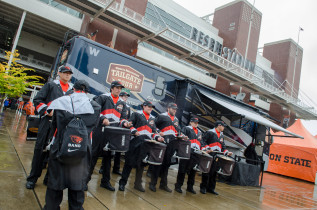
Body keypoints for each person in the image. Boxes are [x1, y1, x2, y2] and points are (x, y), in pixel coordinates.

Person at [43, 80, 101, 210]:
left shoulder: (61, 102)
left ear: (73, 89)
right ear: (87, 91)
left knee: (55, 184)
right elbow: (92, 127)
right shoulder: (95, 106)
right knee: (77, 187)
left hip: (60, 148)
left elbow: (55, 126)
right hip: (81, 151)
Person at [26, 66, 73, 189]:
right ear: (59, 73)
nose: (67, 75)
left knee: (56, 152)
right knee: (40, 149)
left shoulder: (72, 90)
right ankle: (33, 178)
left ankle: (49, 178)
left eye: (69, 74)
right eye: (65, 73)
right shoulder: (51, 85)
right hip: (48, 122)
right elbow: (37, 100)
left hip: (62, 126)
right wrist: (47, 111)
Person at [87, 81, 129, 191]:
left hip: (112, 134)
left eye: (120, 88)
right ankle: (85, 181)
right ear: (112, 88)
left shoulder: (122, 103)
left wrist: (125, 123)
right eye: (117, 88)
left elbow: (122, 118)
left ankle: (105, 182)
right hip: (100, 131)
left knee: (108, 158)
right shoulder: (102, 97)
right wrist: (102, 119)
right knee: (93, 156)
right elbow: (94, 110)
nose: (119, 90)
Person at [119, 101, 164, 192]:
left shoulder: (152, 119)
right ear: (143, 107)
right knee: (129, 163)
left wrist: (158, 137)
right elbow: (129, 125)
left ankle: (138, 184)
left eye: (151, 107)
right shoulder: (136, 114)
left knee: (141, 165)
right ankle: (122, 183)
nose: (150, 108)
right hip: (135, 143)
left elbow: (154, 132)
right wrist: (135, 131)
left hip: (146, 145)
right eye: (148, 106)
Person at [149, 102, 183, 192]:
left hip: (171, 144)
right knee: (158, 164)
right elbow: (153, 125)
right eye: (173, 109)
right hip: (162, 142)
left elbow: (178, 130)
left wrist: (181, 134)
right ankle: (152, 184)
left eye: (175, 109)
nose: (174, 110)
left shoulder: (176, 119)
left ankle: (163, 185)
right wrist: (159, 132)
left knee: (166, 165)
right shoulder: (162, 116)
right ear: (168, 108)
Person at [200, 120, 233, 195]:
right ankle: (203, 188)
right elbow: (203, 141)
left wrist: (227, 152)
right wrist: (207, 148)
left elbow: (223, 146)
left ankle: (211, 189)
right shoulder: (210, 132)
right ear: (219, 126)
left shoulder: (221, 135)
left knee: (214, 173)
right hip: (209, 155)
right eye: (223, 126)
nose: (224, 128)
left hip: (217, 156)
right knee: (206, 172)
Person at [175, 117, 203, 194]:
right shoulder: (186, 128)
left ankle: (190, 187)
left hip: (196, 153)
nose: (196, 124)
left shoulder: (200, 132)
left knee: (193, 171)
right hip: (186, 152)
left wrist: (204, 148)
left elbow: (202, 143)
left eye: (197, 122)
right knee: (182, 170)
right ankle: (178, 186)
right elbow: (181, 136)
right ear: (190, 122)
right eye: (194, 122)